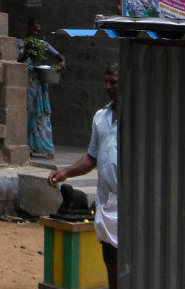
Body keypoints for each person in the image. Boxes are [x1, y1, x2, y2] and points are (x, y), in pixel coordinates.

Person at [48, 64, 118, 288]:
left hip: (131, 202)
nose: (108, 86)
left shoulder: (140, 116)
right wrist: (65, 173)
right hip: (106, 200)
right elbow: (91, 158)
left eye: (113, 82)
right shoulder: (100, 117)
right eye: (106, 81)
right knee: (109, 255)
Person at [17, 18, 65, 158]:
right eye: (34, 30)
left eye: (38, 31)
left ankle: (48, 148)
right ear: (28, 28)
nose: (36, 33)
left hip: (38, 84)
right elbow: (17, 60)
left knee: (41, 114)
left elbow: (60, 56)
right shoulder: (20, 43)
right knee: (27, 114)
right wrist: (26, 55)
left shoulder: (41, 44)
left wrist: (61, 63)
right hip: (24, 83)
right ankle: (30, 146)